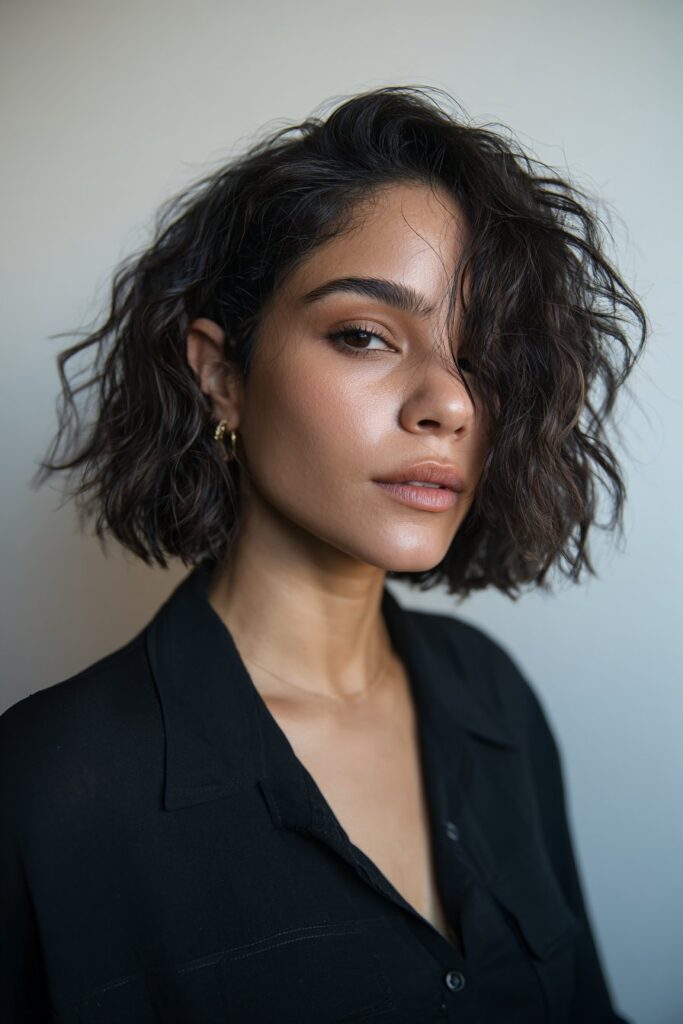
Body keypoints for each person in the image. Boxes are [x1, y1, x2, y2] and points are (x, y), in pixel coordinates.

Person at [0, 85, 647, 1023]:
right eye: (364, 335)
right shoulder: (45, 789)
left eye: (481, 356)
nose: (448, 402)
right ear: (221, 374)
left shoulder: (491, 698)